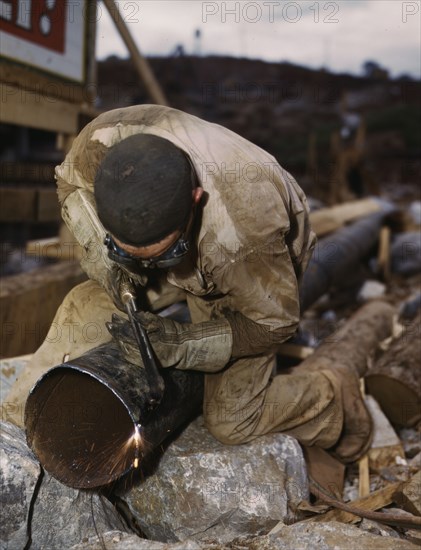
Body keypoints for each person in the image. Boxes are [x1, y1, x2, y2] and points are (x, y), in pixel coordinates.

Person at [5, 105, 372, 462]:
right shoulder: (101, 142)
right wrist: (107, 261)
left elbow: (274, 324)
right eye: (128, 251)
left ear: (195, 200)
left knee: (232, 419)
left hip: (248, 274)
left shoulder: (246, 234)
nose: (148, 267)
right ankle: (14, 427)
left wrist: (182, 344)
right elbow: (70, 183)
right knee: (85, 304)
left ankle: (331, 397)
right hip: (187, 240)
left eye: (162, 255)